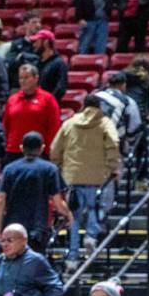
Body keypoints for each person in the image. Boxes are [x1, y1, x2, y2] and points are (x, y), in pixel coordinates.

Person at [51, 95, 120, 269]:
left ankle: (72, 256)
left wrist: (59, 166)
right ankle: (91, 234)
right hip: (97, 177)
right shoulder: (105, 123)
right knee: (96, 208)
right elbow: (113, 143)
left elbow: (55, 148)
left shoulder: (69, 123)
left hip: (72, 177)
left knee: (72, 217)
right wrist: (112, 167)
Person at [0, 132, 73, 252]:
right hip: (37, 228)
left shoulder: (9, 169)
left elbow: (1, 200)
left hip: (12, 227)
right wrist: (68, 214)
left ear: (21, 148)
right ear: (42, 148)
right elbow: (58, 203)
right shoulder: (50, 169)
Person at [1, 64, 62, 167]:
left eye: (26, 77)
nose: (23, 81)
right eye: (21, 78)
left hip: (38, 152)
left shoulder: (48, 99)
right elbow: (6, 126)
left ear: (36, 78)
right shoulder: (12, 99)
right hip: (14, 151)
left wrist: (49, 152)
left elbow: (54, 127)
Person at [30, 30, 68, 101]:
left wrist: (47, 102)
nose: (34, 45)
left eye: (36, 42)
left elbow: (60, 89)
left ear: (46, 42)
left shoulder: (59, 63)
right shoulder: (36, 64)